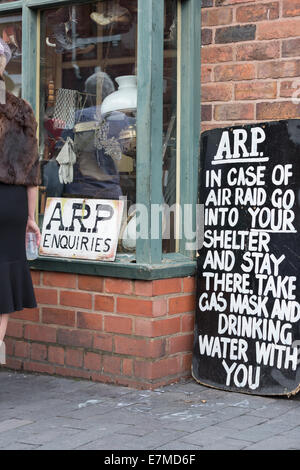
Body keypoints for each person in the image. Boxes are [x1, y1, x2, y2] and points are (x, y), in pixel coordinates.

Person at [0, 38, 41, 354]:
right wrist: (31, 217)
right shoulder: (21, 109)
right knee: (3, 281)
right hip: (11, 205)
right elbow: (31, 171)